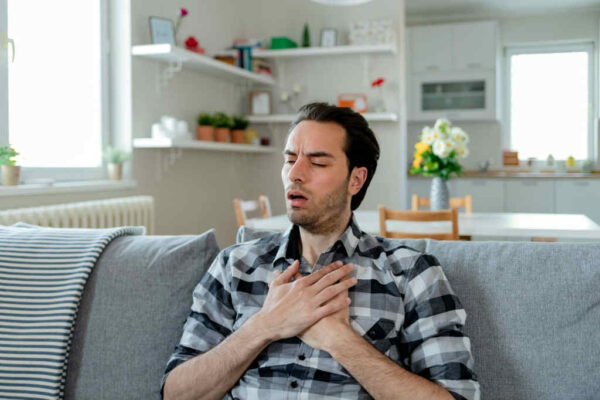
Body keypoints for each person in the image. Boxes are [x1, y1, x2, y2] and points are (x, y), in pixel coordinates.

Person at [161, 103, 480, 400]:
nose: (295, 174)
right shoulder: (235, 265)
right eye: (290, 160)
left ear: (356, 179)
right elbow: (175, 393)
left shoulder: (411, 273)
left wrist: (339, 340)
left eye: (317, 162)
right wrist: (264, 326)